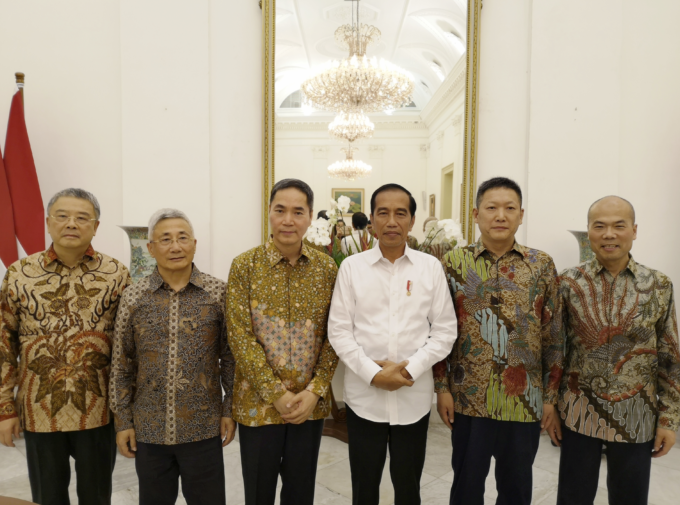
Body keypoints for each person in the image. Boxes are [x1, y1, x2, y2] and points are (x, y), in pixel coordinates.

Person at [434, 177, 564, 505]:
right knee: (466, 487)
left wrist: (550, 398)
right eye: (492, 208)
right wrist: (442, 388)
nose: (501, 216)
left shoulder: (541, 264)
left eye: (509, 208)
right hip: (468, 399)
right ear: (476, 214)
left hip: (524, 400)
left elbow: (553, 335)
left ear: (521, 215)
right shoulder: (453, 263)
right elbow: (438, 331)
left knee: (516, 489)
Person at [328, 183, 458, 505]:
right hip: (363, 400)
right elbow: (339, 332)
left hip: (413, 398)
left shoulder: (430, 268)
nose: (391, 222)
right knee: (364, 488)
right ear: (371, 219)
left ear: (412, 221)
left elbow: (444, 331)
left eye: (400, 213)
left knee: (408, 488)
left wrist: (408, 370)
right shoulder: (352, 268)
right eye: (383, 213)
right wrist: (374, 374)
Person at [0, 188, 131, 505]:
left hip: (99, 411)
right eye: (62, 216)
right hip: (39, 410)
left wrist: (127, 411)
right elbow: (4, 343)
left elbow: (127, 348)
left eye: (82, 217)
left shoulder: (116, 274)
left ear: (95, 227)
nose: (71, 223)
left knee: (96, 496)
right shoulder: (19, 274)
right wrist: (4, 408)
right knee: (48, 497)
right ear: (48, 222)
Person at [556, 196, 680, 505]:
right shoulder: (568, 282)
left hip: (637, 415)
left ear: (634, 231)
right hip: (578, 412)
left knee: (630, 498)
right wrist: (550, 406)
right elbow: (555, 350)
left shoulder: (658, 285)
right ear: (589, 230)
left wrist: (669, 420)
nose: (609, 234)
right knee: (573, 497)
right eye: (599, 226)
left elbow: (670, 356)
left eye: (619, 226)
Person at [109, 209, 234, 505]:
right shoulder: (134, 296)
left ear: (194, 244)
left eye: (182, 238)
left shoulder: (217, 293)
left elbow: (230, 357)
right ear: (151, 248)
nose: (175, 246)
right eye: (165, 239)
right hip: (149, 429)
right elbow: (122, 362)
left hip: (203, 427)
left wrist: (229, 409)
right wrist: (123, 421)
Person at [227, 179, 339, 505]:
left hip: (308, 405)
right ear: (269, 213)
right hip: (258, 405)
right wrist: (276, 394)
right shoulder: (245, 265)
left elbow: (336, 334)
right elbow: (240, 336)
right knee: (258, 494)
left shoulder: (326, 268)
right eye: (280, 210)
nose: (288, 220)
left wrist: (315, 390)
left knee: (300, 493)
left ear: (309, 217)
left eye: (298, 212)